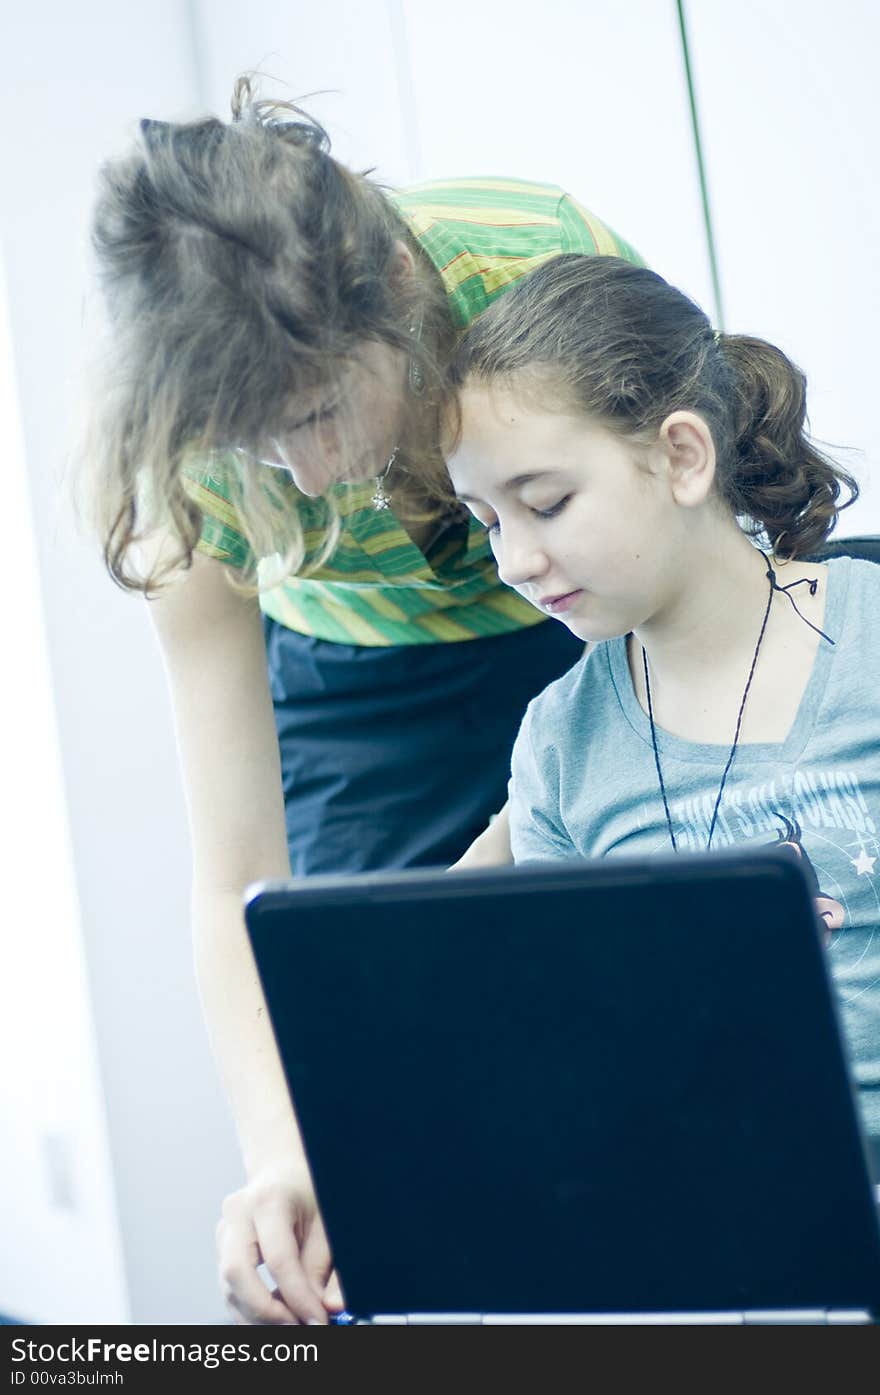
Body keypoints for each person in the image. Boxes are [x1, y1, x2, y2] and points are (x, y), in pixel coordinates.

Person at [79, 76, 645, 1324]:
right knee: (382, 1121)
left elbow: (697, 524)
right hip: (362, 698)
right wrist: (283, 1151)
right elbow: (237, 879)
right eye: (260, 444)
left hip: (592, 634)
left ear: (394, 291)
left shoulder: (527, 256)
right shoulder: (184, 460)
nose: (309, 471)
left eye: (321, 412)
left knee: (634, 1030)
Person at [441, 252, 879, 1152]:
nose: (514, 562)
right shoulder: (560, 746)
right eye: (489, 522)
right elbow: (587, 1043)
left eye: (547, 503)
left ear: (682, 455)